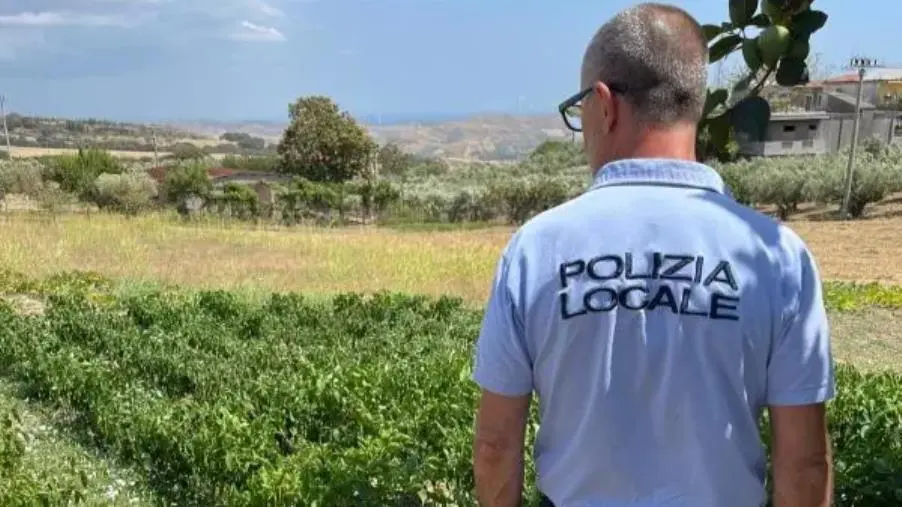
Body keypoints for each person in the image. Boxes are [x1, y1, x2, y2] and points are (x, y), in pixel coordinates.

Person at [470, 3, 835, 507]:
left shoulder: (536, 250)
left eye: (579, 108)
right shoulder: (779, 258)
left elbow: (495, 446)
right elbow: (805, 464)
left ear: (604, 105)